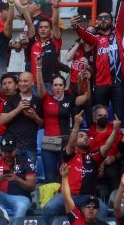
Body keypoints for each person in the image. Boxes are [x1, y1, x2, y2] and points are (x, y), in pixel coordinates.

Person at [42, 111, 116, 225]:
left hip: (87, 197)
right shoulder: (69, 154)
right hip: (67, 195)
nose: (86, 138)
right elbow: (71, 144)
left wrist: (115, 130)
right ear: (75, 139)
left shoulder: (94, 157)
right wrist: (76, 125)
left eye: (87, 136)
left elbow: (106, 147)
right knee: (48, 207)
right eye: (81, 136)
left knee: (103, 209)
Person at [73, 0, 124, 120]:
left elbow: (121, 16)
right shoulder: (95, 38)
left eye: (106, 18)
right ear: (97, 21)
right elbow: (84, 34)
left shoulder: (118, 34)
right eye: (100, 18)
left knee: (118, 116)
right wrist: (75, 26)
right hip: (100, 84)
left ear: (112, 21)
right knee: (99, 117)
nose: (103, 20)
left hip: (117, 83)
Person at [35, 52, 91, 184]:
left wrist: (87, 81)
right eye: (55, 85)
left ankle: (63, 202)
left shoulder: (69, 98)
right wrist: (38, 67)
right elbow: (40, 85)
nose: (58, 87)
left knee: (64, 175)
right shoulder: (46, 98)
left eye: (60, 85)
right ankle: (50, 204)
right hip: (48, 142)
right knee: (50, 178)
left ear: (64, 86)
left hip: (65, 142)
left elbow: (86, 97)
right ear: (52, 87)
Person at [0, 137, 36, 222]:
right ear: (1, 150)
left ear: (16, 149)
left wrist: (17, 179)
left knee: (21, 207)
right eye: (5, 152)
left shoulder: (25, 161)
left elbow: (32, 187)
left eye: (10, 151)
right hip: (1, 197)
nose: (7, 154)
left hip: (20, 198)